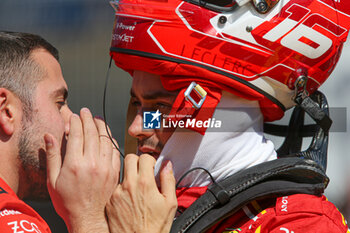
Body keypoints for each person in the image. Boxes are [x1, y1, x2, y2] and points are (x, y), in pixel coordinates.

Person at [106, 0, 350, 232]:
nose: (136, 127)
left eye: (160, 108)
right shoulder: (131, 207)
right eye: (136, 104)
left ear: (225, 112)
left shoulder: (305, 223)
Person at [0, 31, 177, 233]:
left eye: (161, 107)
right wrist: (89, 218)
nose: (70, 123)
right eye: (59, 104)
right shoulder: (9, 221)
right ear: (7, 111)